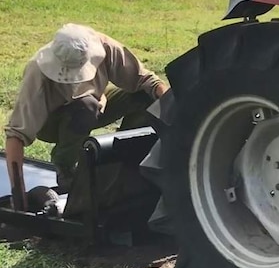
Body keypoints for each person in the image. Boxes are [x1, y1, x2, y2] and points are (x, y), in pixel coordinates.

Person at [4, 23, 168, 208]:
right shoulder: (37, 72)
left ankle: (125, 159)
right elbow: (16, 136)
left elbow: (149, 82)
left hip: (95, 105)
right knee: (85, 107)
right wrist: (19, 198)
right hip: (54, 122)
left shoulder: (105, 47)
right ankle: (65, 168)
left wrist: (175, 108)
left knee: (144, 98)